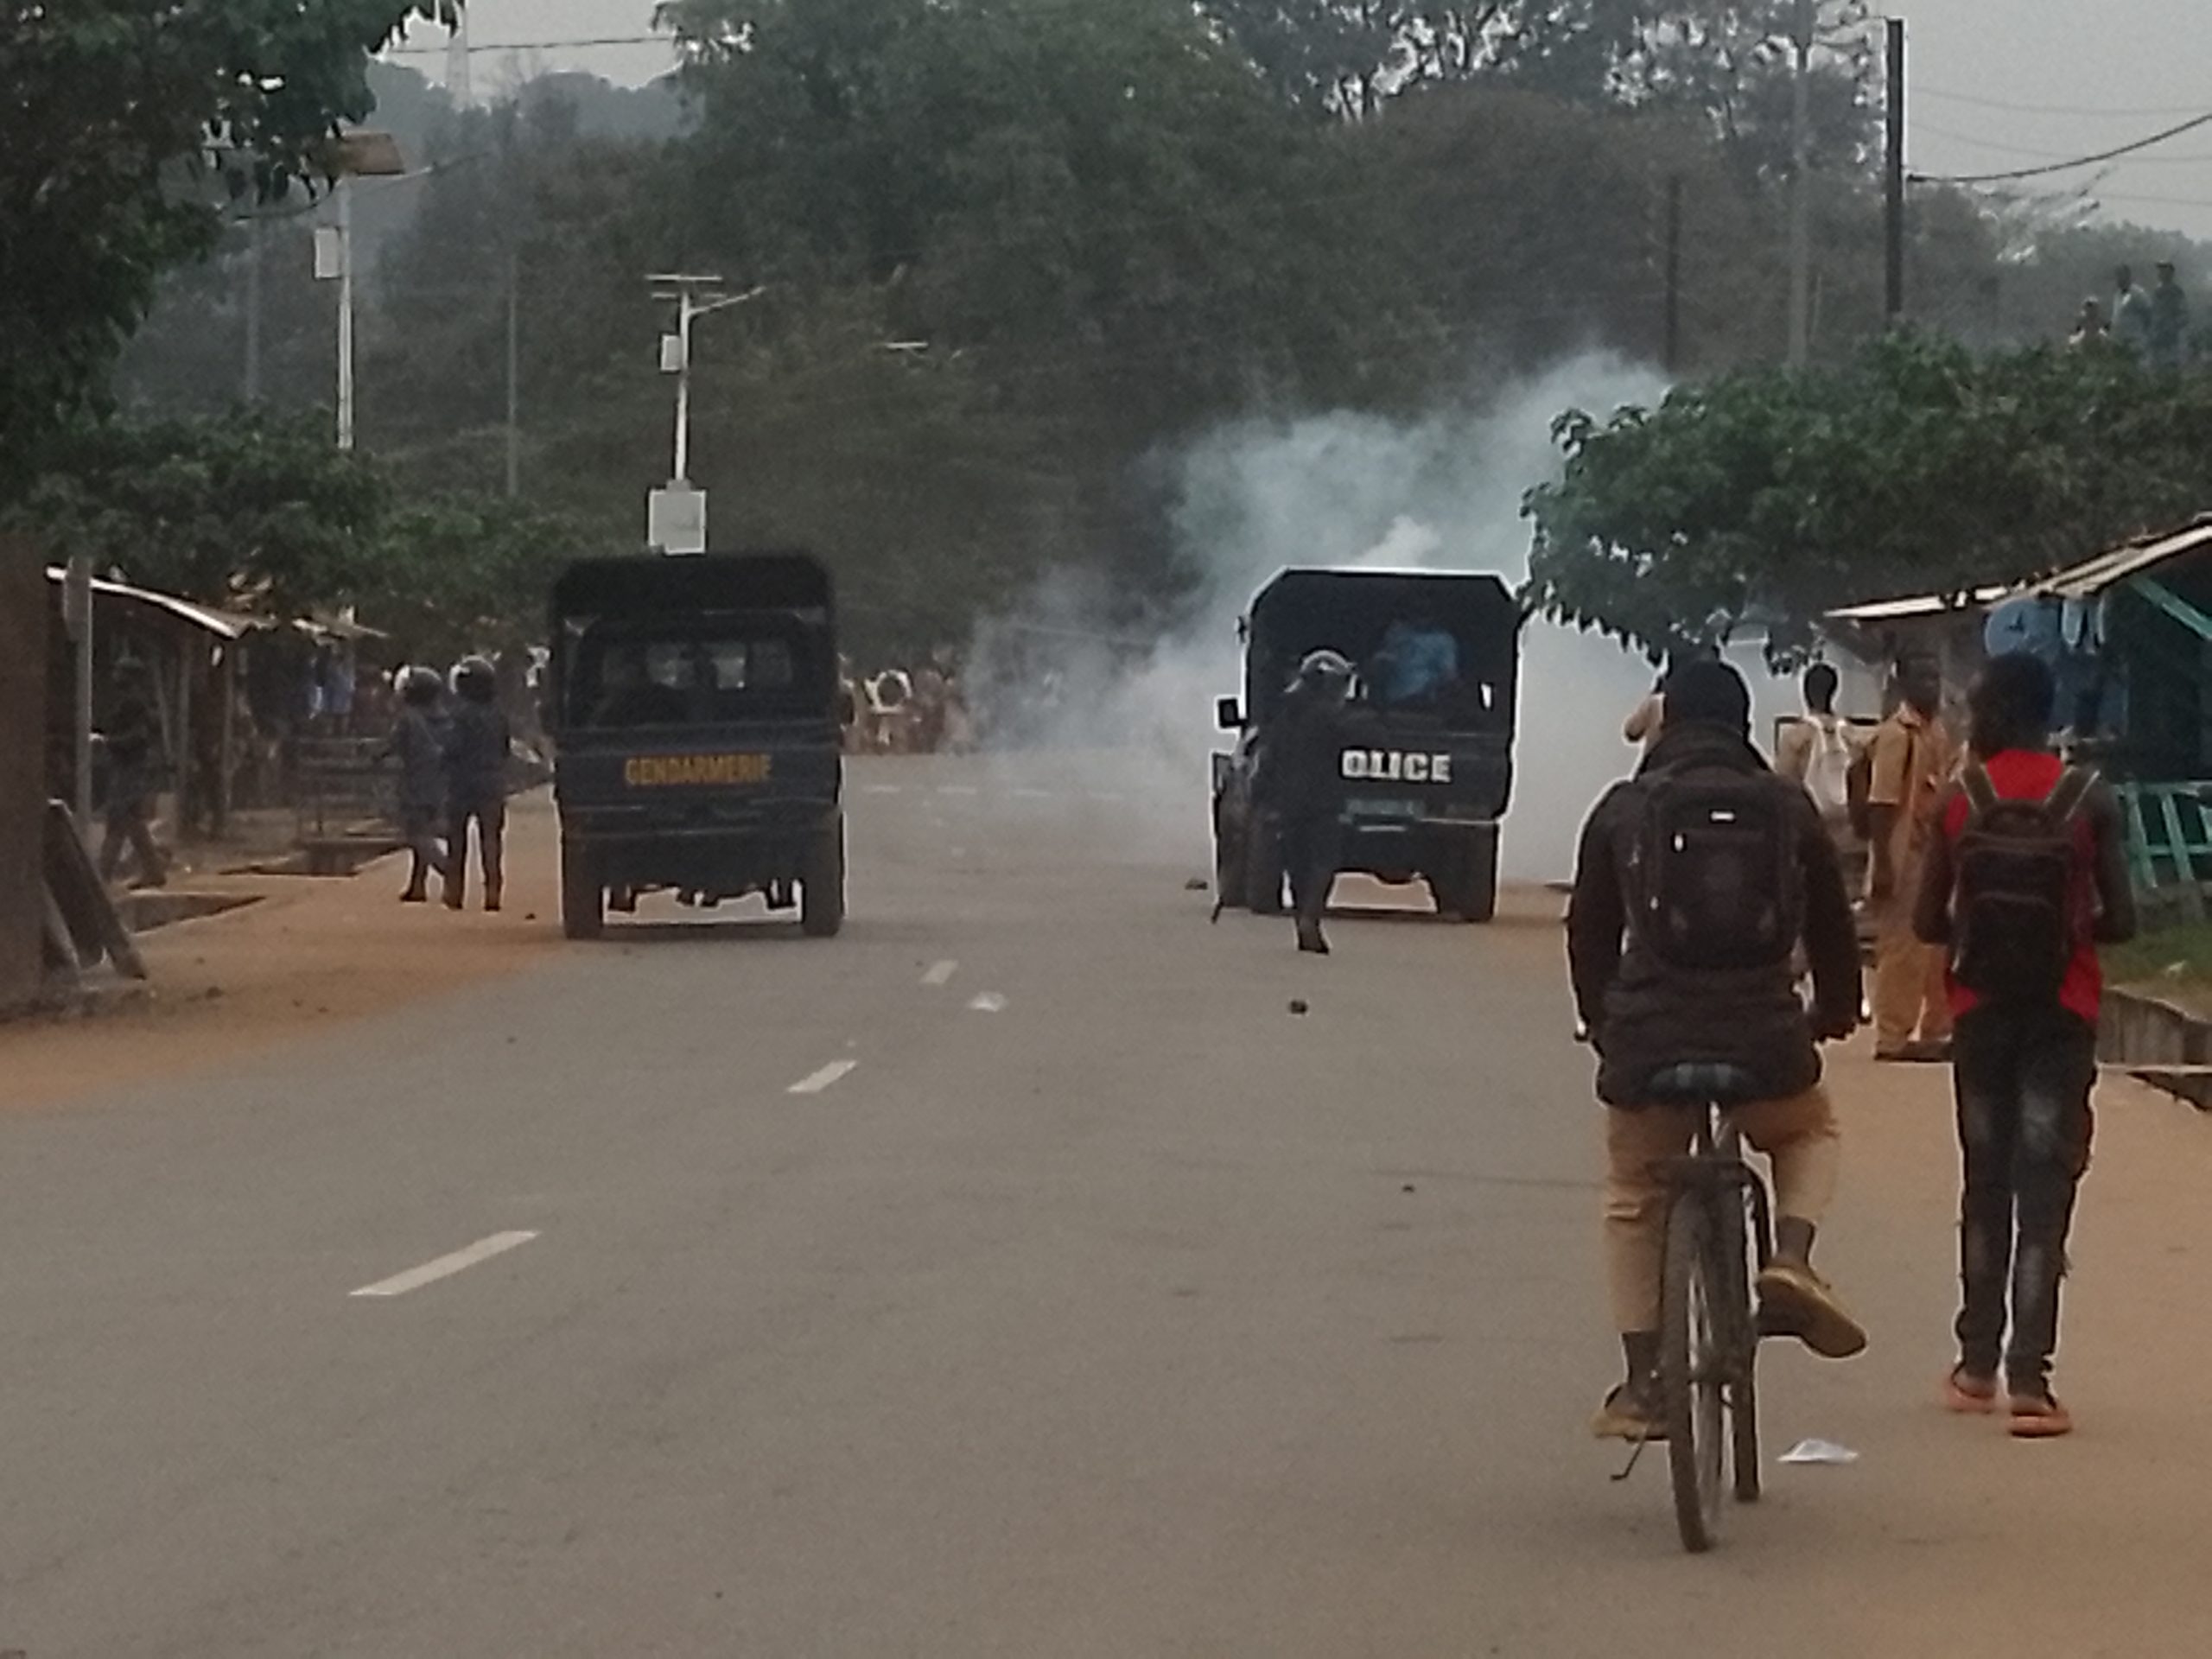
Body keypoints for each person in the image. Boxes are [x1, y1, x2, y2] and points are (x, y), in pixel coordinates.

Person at [1568, 661, 1866, 1440]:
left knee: (1635, 1196)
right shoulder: (1784, 805)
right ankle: (1791, 1257)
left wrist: (1603, 1023)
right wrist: (1835, 1011)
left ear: (1665, 719)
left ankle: (1641, 1385)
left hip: (1649, 1043)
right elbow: (1834, 930)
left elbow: (1589, 934)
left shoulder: (1624, 807)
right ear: (1739, 723)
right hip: (1765, 1039)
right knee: (1808, 1131)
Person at [1912, 653, 2136, 1440]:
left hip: (1979, 1011)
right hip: (2062, 1011)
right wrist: (2067, 928)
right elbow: (2124, 921)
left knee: (1986, 1182)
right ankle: (2031, 1385)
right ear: (2049, 712)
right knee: (2045, 1189)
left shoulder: (1959, 799)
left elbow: (1925, 924)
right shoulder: (2089, 798)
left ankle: (1973, 1367)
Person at [1866, 652, 1960, 1063]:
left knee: (1938, 946)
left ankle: (1937, 1030)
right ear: (1904, 684)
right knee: (1901, 949)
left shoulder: (1937, 732)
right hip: (1903, 858)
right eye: (1923, 677)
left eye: (1935, 677)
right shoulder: (1895, 736)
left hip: (1933, 855)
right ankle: (1892, 1037)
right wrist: (1884, 864)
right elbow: (1882, 804)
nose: (1932, 686)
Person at [1255, 649, 1354, 956]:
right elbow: (1362, 736)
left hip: (1288, 803)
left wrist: (1262, 797)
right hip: (1322, 803)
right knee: (1323, 862)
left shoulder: (1284, 713)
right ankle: (1310, 917)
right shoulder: (1328, 716)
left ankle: (1302, 918)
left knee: (1296, 864)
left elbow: (1267, 759)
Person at [442, 657, 512, 912]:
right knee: (491, 839)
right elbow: (505, 749)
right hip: (493, 781)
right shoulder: (499, 714)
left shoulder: (460, 714)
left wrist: (443, 760)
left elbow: (453, 748)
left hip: (462, 783)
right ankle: (493, 890)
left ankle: (454, 892)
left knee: (457, 839)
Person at [98, 663, 168, 889]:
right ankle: (153, 871)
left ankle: (101, 878)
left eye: (120, 672)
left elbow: (139, 737)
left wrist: (108, 743)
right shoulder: (136, 701)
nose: (115, 676)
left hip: (130, 768)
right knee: (134, 823)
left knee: (117, 821)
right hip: (132, 767)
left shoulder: (134, 703)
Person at [388, 667, 448, 904]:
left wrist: (372, 755)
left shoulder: (408, 718)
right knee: (424, 832)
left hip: (415, 782)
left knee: (417, 834)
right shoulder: (444, 717)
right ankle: (417, 886)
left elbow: (391, 744)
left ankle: (448, 869)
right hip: (441, 783)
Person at [1370, 616, 1460, 705]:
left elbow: (1448, 674)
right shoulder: (1396, 632)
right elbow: (1382, 659)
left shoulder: (1443, 639)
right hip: (1391, 702)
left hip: (1424, 702)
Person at [2149, 260, 2190, 372]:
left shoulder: (2177, 292)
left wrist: (2172, 326)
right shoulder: (2156, 291)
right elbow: (2152, 313)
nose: (2160, 273)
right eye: (2160, 270)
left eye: (2164, 270)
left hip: (2171, 342)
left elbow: (2185, 315)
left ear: (2171, 273)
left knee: (2170, 370)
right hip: (2156, 339)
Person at [2113, 264, 2154, 354]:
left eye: (2121, 274)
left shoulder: (2138, 293)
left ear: (2128, 276)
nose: (2118, 278)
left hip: (2135, 342)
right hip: (2120, 342)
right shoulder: (2117, 295)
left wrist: (2144, 336)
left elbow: (2149, 314)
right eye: (2117, 275)